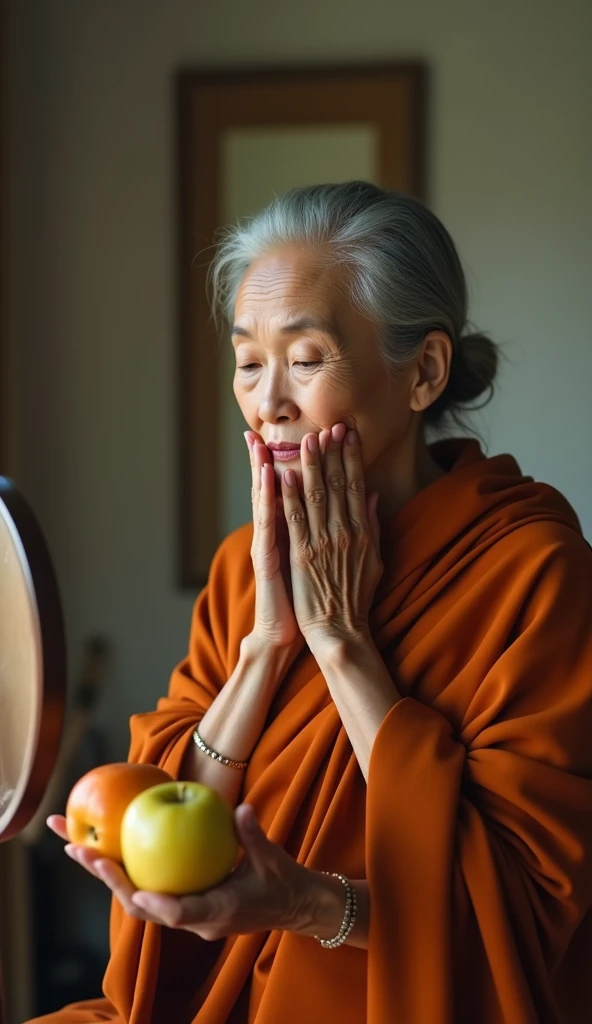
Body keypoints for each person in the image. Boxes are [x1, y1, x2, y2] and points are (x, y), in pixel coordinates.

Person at [29, 182, 592, 1024]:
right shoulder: (241, 568)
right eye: (249, 364)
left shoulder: (532, 573)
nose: (268, 405)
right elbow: (174, 827)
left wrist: (340, 642)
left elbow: (520, 913)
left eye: (305, 358)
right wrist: (264, 652)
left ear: (424, 372)